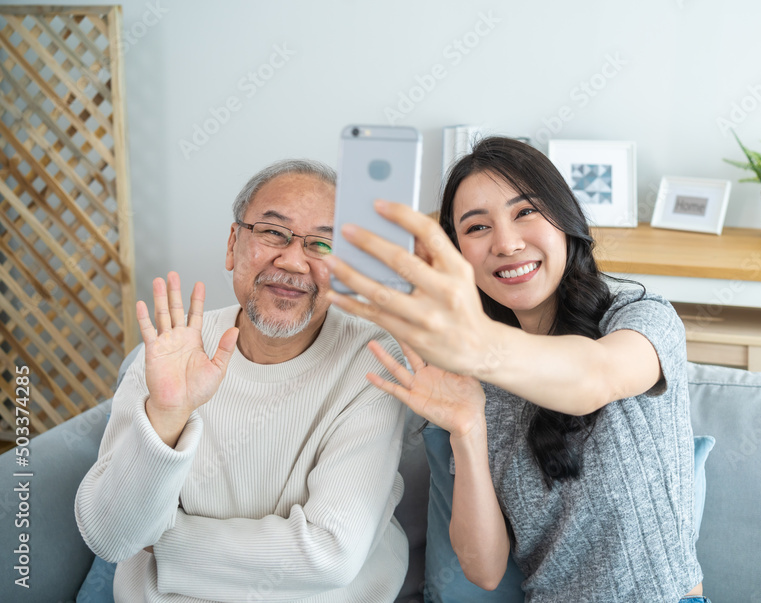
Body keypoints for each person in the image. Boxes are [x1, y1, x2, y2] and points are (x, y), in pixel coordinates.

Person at [325, 137, 709, 602]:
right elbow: (483, 569)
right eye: (477, 227)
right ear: (458, 251)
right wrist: (466, 429)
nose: (506, 244)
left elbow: (596, 377)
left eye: (525, 212)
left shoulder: (637, 316)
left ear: (566, 220)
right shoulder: (468, 378)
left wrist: (476, 347)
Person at [75, 160, 410, 602]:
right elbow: (112, 537)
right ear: (233, 244)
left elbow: (330, 555)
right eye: (273, 232)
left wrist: (160, 543)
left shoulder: (374, 361)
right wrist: (168, 414)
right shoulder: (174, 350)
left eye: (323, 245)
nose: (292, 260)